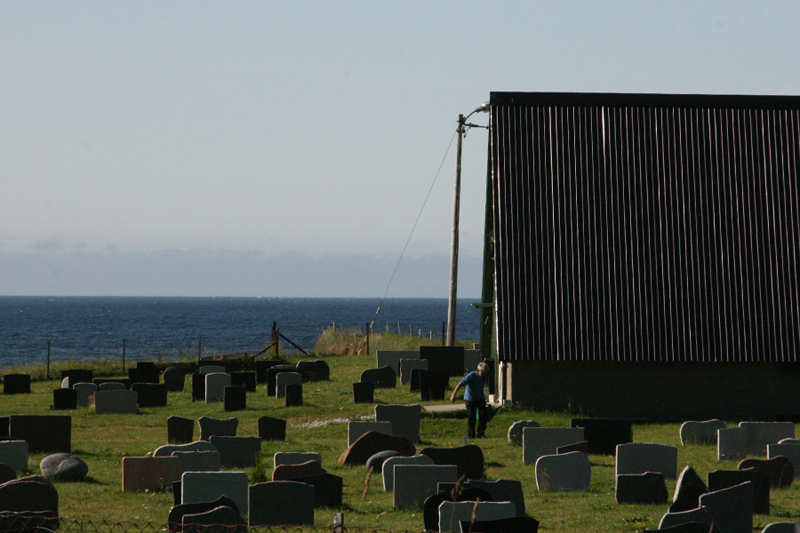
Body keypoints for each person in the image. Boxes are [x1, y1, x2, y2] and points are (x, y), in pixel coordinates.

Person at [450, 362, 489, 439]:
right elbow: (460, 384)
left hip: (480, 398)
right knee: (472, 418)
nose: (484, 374)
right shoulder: (471, 376)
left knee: (483, 415)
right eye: (483, 372)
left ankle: (481, 434)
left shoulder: (485, 377)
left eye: (485, 373)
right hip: (470, 399)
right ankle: (471, 435)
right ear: (478, 370)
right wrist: (453, 394)